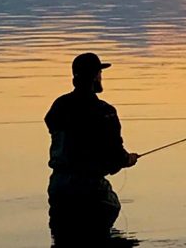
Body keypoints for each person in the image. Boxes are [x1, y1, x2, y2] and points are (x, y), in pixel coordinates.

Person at [45, 52, 139, 245]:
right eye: (100, 73)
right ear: (96, 76)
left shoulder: (59, 106)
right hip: (88, 189)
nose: (101, 77)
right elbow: (115, 157)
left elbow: (55, 126)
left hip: (59, 186)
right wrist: (128, 160)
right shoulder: (104, 112)